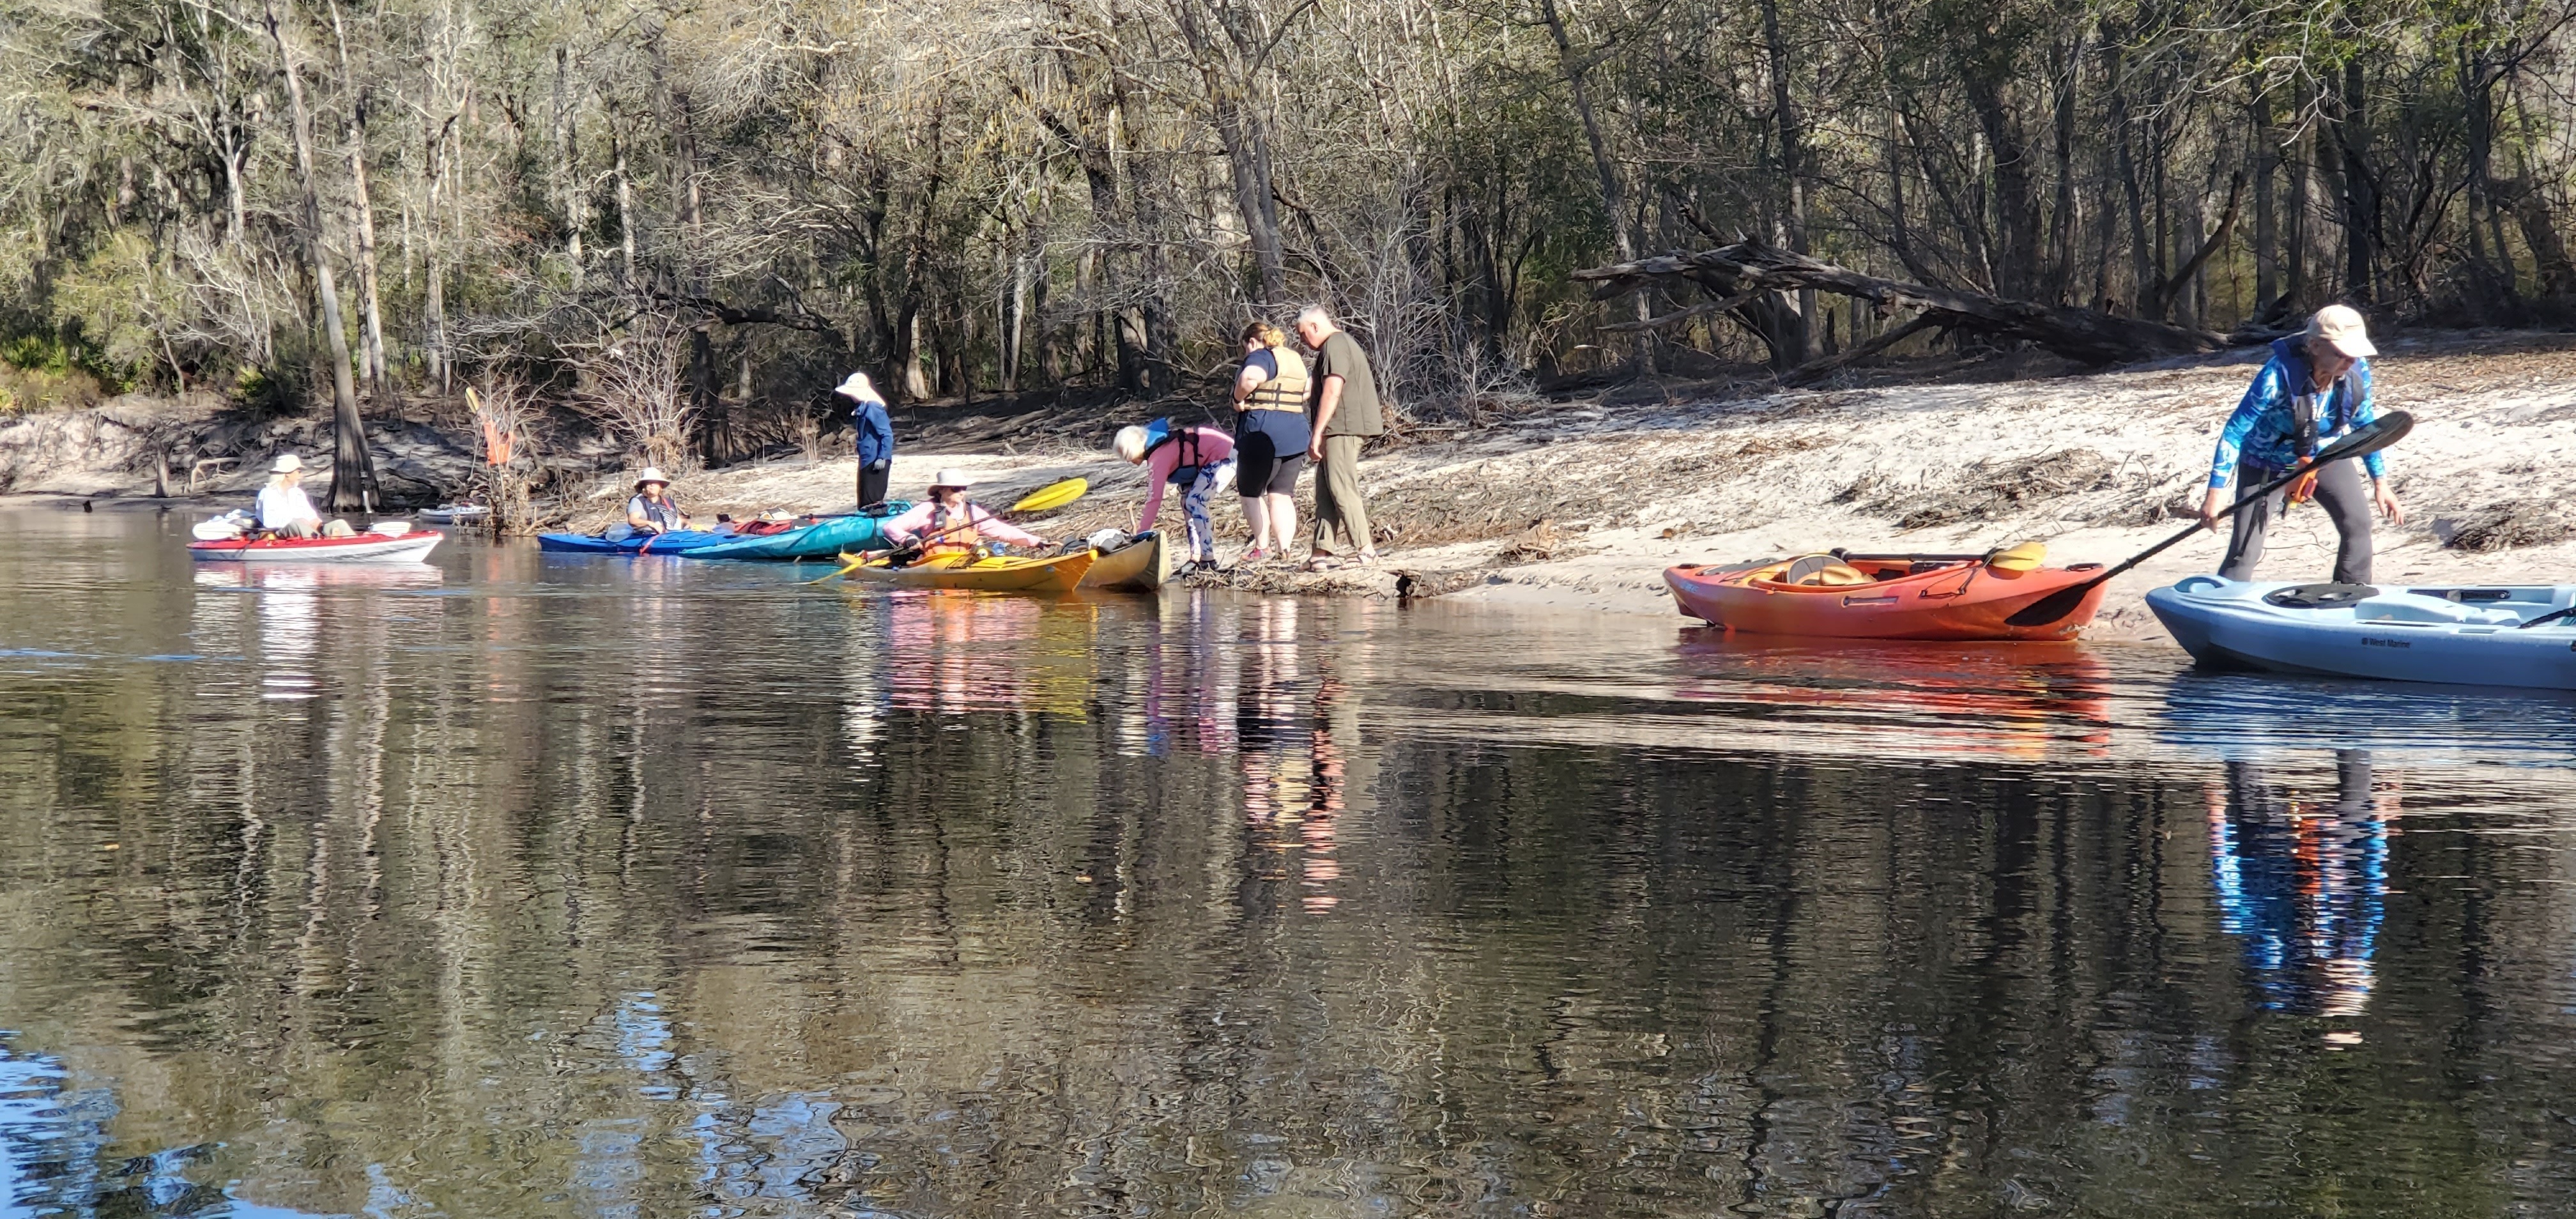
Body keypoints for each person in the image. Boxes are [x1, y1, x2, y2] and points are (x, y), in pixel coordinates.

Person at [2200, 304, 2405, 585]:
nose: (2350, 361)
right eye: (2342, 353)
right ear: (2315, 346)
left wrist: (2380, 481)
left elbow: (2365, 426)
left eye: (2355, 353)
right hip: (2267, 460)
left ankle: (2352, 597)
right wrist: (2216, 492)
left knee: (2358, 525)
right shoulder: (2275, 377)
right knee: (2245, 549)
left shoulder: (2357, 369)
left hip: (2325, 454)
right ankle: (2222, 610)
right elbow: (2235, 432)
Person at [1295, 305, 1384, 569]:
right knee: (1326, 489)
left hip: (1343, 427)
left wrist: (1317, 432)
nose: (1302, 340)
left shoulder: (1336, 344)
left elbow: (1333, 390)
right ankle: (1321, 553)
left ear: (1315, 326)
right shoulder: (1333, 347)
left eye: (1302, 334)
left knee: (1342, 487)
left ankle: (1366, 550)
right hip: (1336, 428)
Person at [1230, 321, 1310, 565]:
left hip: (1262, 433)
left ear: (1252, 342)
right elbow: (1308, 388)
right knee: (1281, 494)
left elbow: (1249, 379)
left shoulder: (1261, 357)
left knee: (1251, 493)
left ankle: (1262, 547)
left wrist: (1237, 399)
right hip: (1296, 433)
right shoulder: (1294, 358)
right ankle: (1284, 549)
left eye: (1246, 348)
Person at [1116, 419, 1238, 574]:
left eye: (1126, 456)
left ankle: (1208, 560)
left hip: (1226, 457)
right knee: (1187, 502)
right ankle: (1196, 557)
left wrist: (1142, 533)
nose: (1128, 461)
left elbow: (1154, 498)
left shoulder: (1158, 457)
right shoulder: (1158, 451)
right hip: (1211, 458)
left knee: (1195, 502)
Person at [877, 468, 1047, 556]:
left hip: (969, 562)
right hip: (936, 564)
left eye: (964, 488)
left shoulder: (972, 511)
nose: (962, 492)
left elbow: (1003, 531)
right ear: (942, 490)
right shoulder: (927, 510)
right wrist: (908, 538)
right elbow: (891, 527)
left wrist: (1036, 542)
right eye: (956, 488)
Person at [254, 454, 353, 537]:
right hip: (278, 532)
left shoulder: (298, 493)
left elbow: (310, 515)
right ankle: (321, 541)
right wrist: (297, 520)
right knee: (296, 525)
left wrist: (316, 522)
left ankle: (351, 541)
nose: (301, 476)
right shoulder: (268, 493)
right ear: (287, 474)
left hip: (305, 529)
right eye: (299, 472)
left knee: (340, 524)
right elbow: (269, 522)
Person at [839, 371, 896, 509]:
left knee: (872, 503)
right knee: (864, 502)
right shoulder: (863, 408)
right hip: (867, 460)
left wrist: (882, 457)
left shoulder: (873, 408)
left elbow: (887, 435)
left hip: (875, 461)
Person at [623, 468, 691, 537]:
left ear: (661, 487)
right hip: (647, 537)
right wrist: (650, 524)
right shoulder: (637, 501)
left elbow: (677, 520)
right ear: (643, 486)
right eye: (648, 483)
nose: (652, 485)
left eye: (655, 482)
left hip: (671, 536)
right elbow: (632, 520)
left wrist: (686, 522)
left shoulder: (668, 502)